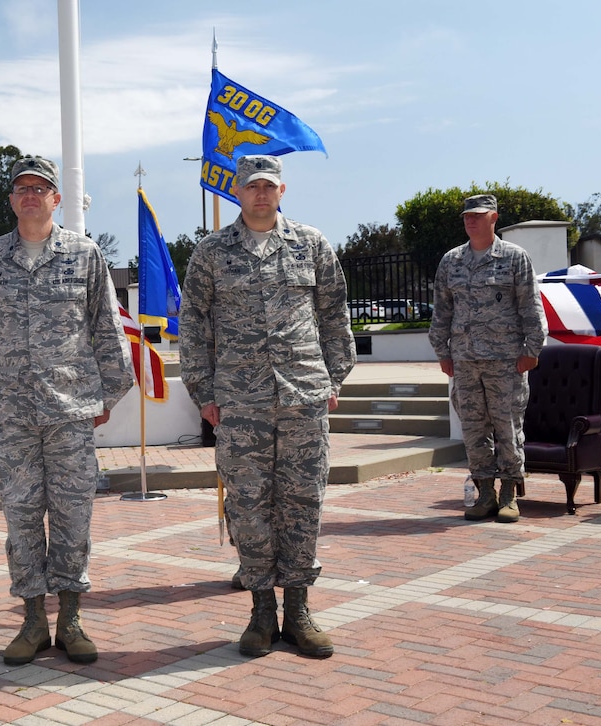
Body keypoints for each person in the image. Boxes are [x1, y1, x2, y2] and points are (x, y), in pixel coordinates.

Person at [0, 155, 134, 666]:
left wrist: (107, 395)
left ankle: (71, 619)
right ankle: (33, 621)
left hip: (69, 411)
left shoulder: (84, 254)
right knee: (21, 519)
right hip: (10, 415)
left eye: (42, 188)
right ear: (12, 200)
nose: (31, 195)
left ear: (58, 198)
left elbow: (106, 327)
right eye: (22, 188)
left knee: (74, 516)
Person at [179, 155, 355, 659]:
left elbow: (334, 314)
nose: (260, 193)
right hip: (239, 400)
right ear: (238, 191)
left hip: (302, 395)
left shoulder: (311, 244)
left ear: (283, 190)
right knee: (248, 504)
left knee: (303, 502)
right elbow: (193, 323)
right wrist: (204, 392)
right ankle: (260, 610)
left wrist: (332, 377)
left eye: (268, 186)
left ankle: (298, 609)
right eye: (252, 186)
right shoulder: (212, 252)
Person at [429, 194, 546, 524]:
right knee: (473, 429)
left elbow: (530, 307)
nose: (471, 220)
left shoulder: (513, 258)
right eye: (467, 216)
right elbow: (442, 311)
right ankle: (484, 493)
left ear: (493, 217)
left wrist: (531, 350)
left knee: (507, 426)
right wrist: (443, 352)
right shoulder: (451, 261)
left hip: (506, 360)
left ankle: (509, 493)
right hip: (465, 361)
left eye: (478, 216)